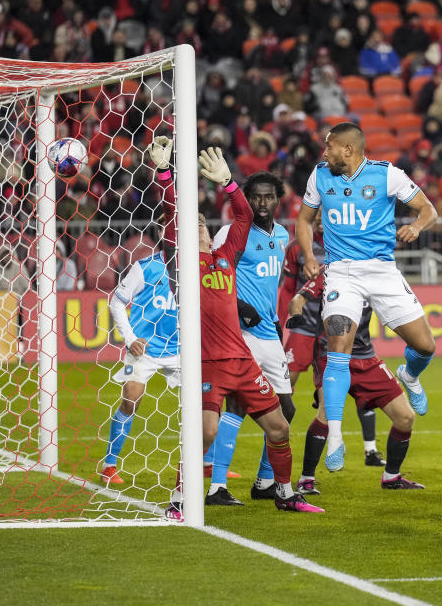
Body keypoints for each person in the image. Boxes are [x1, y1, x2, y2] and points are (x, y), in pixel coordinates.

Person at [149, 139, 321, 517]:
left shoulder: (225, 257)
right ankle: (180, 500)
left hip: (243, 360)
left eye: (200, 226)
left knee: (279, 425)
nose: (195, 231)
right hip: (210, 363)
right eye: (188, 228)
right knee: (206, 432)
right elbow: (169, 214)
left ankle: (284, 493)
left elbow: (243, 219)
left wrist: (229, 182)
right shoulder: (184, 267)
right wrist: (164, 175)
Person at [295, 122, 438, 472]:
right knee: (338, 347)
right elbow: (303, 220)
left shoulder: (387, 175)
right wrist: (311, 257)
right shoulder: (319, 176)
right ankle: (336, 438)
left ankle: (411, 376)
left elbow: (428, 210)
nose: (324, 152)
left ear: (348, 149)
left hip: (382, 271)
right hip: (342, 272)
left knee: (426, 346)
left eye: (329, 147)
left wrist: (416, 227)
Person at [202, 172, 295, 506]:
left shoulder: (283, 235)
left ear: (278, 199)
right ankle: (216, 486)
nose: (262, 203)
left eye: (269, 197)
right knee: (237, 406)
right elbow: (212, 273)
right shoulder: (232, 232)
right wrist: (239, 306)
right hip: (239, 333)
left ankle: (265, 481)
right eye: (255, 197)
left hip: (269, 331)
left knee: (287, 409)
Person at [290, 270, 424, 493]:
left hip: (366, 357)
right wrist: (296, 316)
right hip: (330, 354)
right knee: (325, 415)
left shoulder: (375, 271)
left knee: (405, 417)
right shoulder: (331, 272)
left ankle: (391, 477)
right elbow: (297, 300)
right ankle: (306, 479)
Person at [278, 215, 384, 467]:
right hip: (305, 326)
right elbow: (288, 289)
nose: (320, 223)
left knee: (357, 383)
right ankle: (276, 434)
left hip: (337, 327)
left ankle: (370, 449)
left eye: (324, 218)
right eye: (315, 218)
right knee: (284, 384)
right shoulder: (296, 248)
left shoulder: (346, 245)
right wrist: (281, 322)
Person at [102, 248, 179, 485]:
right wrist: (130, 339)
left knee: (207, 402)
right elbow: (116, 302)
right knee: (131, 398)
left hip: (181, 349)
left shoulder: (195, 264)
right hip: (144, 348)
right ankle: (109, 465)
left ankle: (208, 465)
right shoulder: (145, 266)